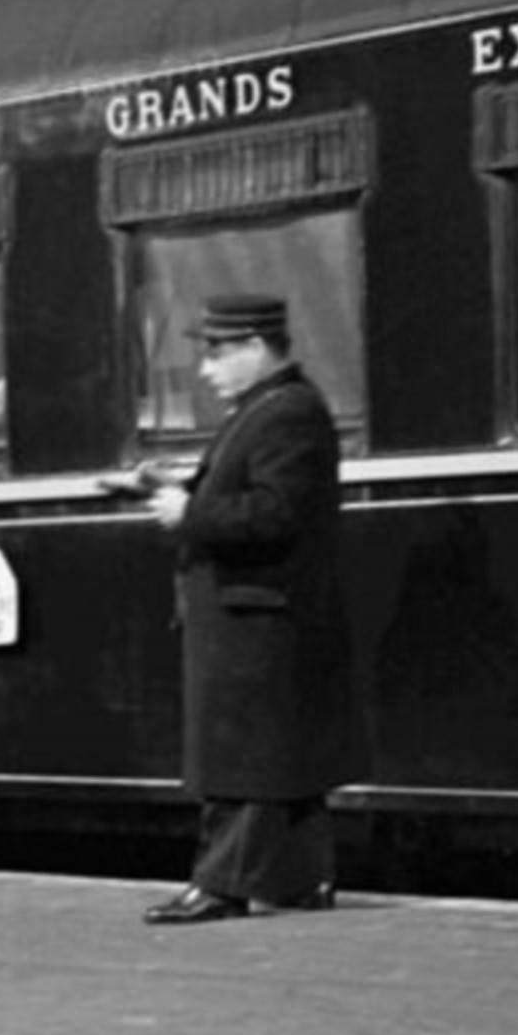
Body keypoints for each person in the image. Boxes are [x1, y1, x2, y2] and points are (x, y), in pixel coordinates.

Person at [132, 292, 357, 925]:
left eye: (217, 353)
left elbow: (275, 513)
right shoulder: (271, 409)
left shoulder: (285, 414)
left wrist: (189, 513)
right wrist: (170, 486)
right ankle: (299, 882)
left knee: (243, 758)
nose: (207, 370)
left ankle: (222, 887)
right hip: (254, 610)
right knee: (277, 761)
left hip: (258, 613)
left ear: (256, 348)